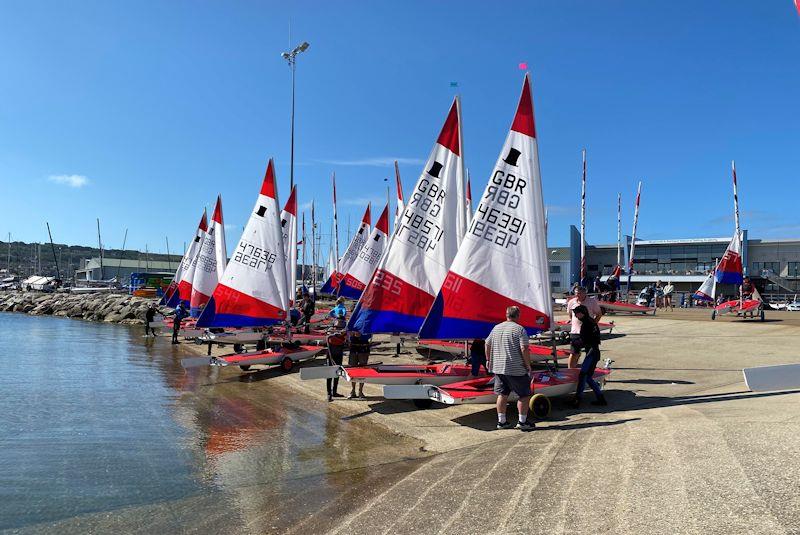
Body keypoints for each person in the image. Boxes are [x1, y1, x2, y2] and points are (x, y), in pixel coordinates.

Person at [486, 306, 534, 431]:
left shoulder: (496, 328)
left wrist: (488, 360)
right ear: (518, 316)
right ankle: (522, 422)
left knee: (502, 394)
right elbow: (524, 348)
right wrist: (528, 365)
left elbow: (487, 343)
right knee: (524, 395)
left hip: (499, 367)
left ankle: (502, 422)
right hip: (515, 368)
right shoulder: (519, 329)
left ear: (506, 315)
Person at [570, 305, 608, 408]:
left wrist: (574, 343)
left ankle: (577, 400)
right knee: (588, 378)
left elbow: (584, 340)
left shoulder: (586, 323)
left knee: (583, 376)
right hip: (594, 352)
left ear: (582, 312)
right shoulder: (591, 321)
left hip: (592, 353)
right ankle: (601, 399)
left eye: (577, 313)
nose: (576, 315)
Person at [567, 286, 603, 369]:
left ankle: (588, 371)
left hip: (588, 332)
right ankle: (571, 371)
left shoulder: (592, 302)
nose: (577, 295)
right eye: (576, 293)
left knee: (590, 353)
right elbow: (570, 314)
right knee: (574, 353)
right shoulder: (571, 302)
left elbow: (599, 314)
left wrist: (593, 324)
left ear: (584, 293)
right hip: (575, 332)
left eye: (579, 293)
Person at [347, 330, 371, 399]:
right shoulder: (352, 323)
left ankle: (360, 391)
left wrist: (361, 335)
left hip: (363, 350)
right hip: (353, 350)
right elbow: (348, 334)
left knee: (362, 371)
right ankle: (353, 391)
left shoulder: (366, 324)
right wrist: (352, 334)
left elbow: (369, 335)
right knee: (352, 371)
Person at [326, 329, 347, 402]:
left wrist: (343, 336)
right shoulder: (331, 335)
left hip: (338, 356)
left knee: (337, 374)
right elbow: (334, 340)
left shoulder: (341, 336)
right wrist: (342, 337)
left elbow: (344, 342)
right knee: (329, 375)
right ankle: (329, 393)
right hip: (331, 357)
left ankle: (334, 392)